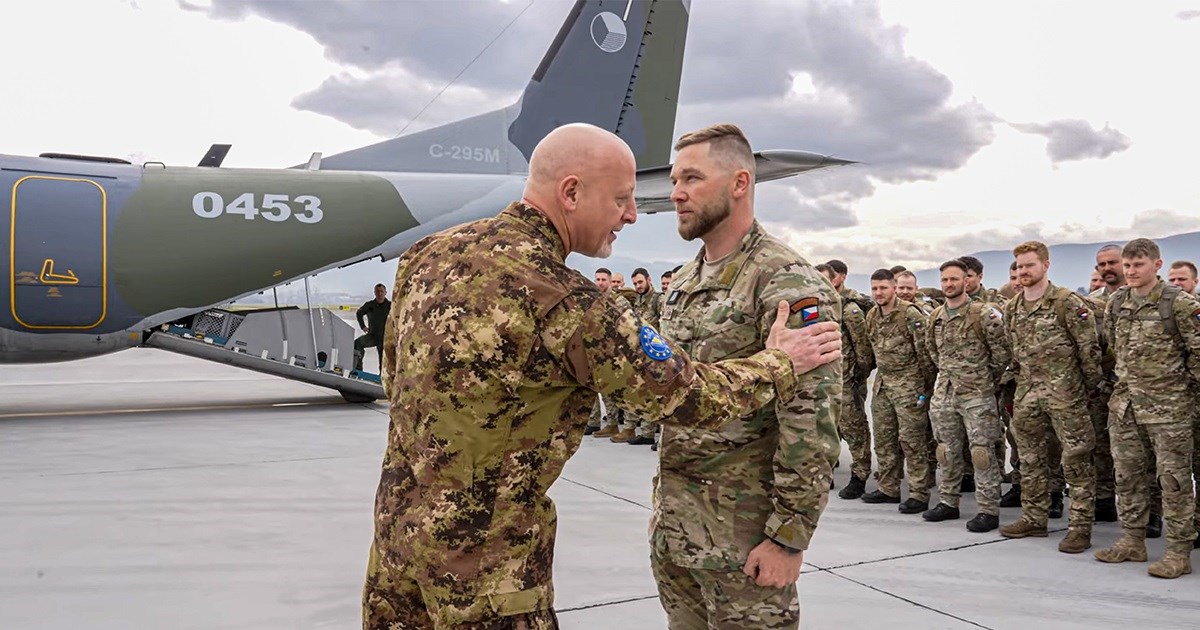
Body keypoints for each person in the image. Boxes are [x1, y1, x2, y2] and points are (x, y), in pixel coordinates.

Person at [362, 123, 843, 628]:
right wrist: (780, 362)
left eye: (689, 179)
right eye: (621, 199)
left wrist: (789, 532)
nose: (634, 214)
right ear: (571, 192)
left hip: (399, 547)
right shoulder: (567, 299)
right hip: (485, 572)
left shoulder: (426, 256)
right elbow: (684, 395)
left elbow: (395, 381)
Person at [651, 124, 841, 629]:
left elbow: (812, 426)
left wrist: (787, 537)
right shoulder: (685, 281)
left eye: (692, 177)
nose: (676, 193)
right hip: (677, 530)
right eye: (675, 179)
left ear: (739, 183)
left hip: (744, 537)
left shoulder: (786, 281)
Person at [1094, 238, 1200, 579]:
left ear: (1156, 265)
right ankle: (1132, 541)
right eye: (1127, 265)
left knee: (1173, 482)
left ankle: (1178, 552)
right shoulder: (1116, 302)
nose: (1130, 271)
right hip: (1126, 406)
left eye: (1138, 265)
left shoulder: (1179, 304)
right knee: (1127, 477)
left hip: (1170, 409)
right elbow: (1113, 346)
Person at [998, 241, 1102, 553]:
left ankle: (1080, 528)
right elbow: (1014, 352)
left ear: (1045, 265)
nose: (1023, 271)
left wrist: (1086, 388)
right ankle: (1034, 517)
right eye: (1018, 266)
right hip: (1029, 394)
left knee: (1077, 459)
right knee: (1030, 459)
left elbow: (1090, 349)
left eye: (1029, 265)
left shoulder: (1066, 302)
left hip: (1066, 394)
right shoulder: (1013, 307)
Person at [923, 259, 1010, 532]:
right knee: (945, 451)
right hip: (945, 394)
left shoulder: (983, 314)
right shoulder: (936, 317)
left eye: (954, 279)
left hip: (977, 394)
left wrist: (984, 380)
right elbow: (933, 353)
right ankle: (948, 502)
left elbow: (1002, 353)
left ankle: (988, 509)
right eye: (945, 280)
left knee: (982, 454)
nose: (949, 284)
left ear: (967, 281)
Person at [861, 268, 937, 513]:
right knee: (884, 439)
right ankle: (888, 487)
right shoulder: (872, 315)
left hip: (909, 385)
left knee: (912, 441)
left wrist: (923, 388)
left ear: (894, 288)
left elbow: (926, 353)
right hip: (884, 385)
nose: (878, 293)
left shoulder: (910, 314)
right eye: (874, 288)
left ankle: (918, 493)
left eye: (883, 287)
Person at [818, 264, 872, 501]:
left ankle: (859, 476)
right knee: (825, 429)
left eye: (823, 280)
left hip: (846, 379)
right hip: (823, 381)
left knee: (854, 429)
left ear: (836, 280)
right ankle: (825, 472)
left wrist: (858, 377)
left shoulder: (849, 311)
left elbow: (863, 351)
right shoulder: (814, 309)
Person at [620, 267, 664, 446]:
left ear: (648, 279)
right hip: (641, 354)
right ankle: (646, 434)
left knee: (657, 395)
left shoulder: (658, 300)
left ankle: (656, 436)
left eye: (640, 282)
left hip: (657, 353)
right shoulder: (637, 301)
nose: (638, 286)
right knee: (644, 394)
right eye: (635, 283)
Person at [354, 283, 390, 372]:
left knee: (383, 361)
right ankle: (358, 369)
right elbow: (359, 313)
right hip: (372, 336)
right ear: (374, 293)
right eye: (377, 291)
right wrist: (363, 326)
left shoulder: (390, 306)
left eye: (382, 291)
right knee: (357, 343)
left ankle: (382, 379)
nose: (380, 293)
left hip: (385, 338)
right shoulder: (370, 305)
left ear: (385, 293)